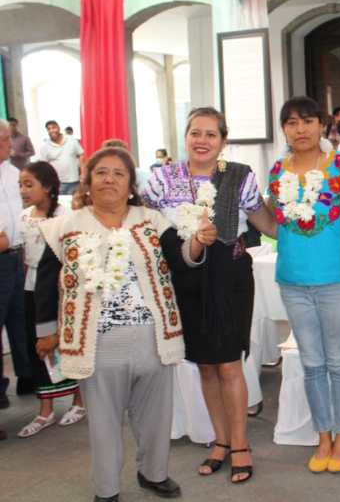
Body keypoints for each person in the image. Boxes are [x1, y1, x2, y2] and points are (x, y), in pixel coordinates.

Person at [34, 147, 212, 502]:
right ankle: (107, 489)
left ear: (131, 184)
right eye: (101, 172)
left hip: (153, 336)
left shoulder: (150, 220)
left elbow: (180, 258)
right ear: (88, 180)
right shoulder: (66, 226)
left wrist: (196, 243)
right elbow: (44, 282)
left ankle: (154, 474)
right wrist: (46, 332)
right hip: (96, 342)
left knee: (156, 417)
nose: (109, 179)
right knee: (102, 423)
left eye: (119, 173)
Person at [143, 107, 276, 484]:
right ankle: (219, 440)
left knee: (229, 364)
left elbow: (264, 222)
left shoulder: (239, 176)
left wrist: (303, 219)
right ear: (184, 137)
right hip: (182, 277)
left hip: (229, 276)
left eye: (210, 134)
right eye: (194, 133)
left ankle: (239, 444)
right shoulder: (161, 179)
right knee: (204, 363)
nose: (201, 140)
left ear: (223, 140)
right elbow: (144, 224)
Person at [269, 96, 340, 475]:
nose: (300, 129)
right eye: (292, 123)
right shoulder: (277, 170)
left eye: (308, 121)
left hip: (336, 279)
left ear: (322, 125)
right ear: (284, 129)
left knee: (337, 361)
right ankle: (323, 435)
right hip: (292, 281)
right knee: (311, 364)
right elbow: (275, 220)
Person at [17, 161, 86, 438]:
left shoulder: (64, 215)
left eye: (29, 184)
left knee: (67, 343)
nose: (23, 190)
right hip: (31, 288)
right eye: (21, 185)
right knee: (37, 345)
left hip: (60, 290)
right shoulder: (24, 217)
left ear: (47, 187)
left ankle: (79, 400)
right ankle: (45, 409)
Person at [0, 119, 33, 422]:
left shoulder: (14, 174)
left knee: (20, 318)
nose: (10, 146)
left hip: (17, 255)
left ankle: (27, 374)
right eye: (4, 140)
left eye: (9, 139)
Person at [37, 120, 84, 195]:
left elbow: (81, 155)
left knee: (76, 204)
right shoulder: (45, 147)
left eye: (54, 127)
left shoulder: (71, 140)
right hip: (57, 184)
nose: (52, 130)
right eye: (49, 129)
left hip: (74, 181)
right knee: (60, 205)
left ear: (58, 128)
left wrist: (83, 172)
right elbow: (43, 166)